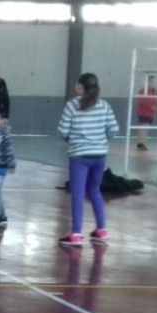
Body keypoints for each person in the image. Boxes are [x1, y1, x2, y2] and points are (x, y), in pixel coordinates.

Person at [57, 73, 119, 247]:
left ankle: (76, 234)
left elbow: (62, 130)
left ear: (81, 87)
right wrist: (101, 140)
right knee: (94, 190)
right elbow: (114, 129)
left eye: (77, 84)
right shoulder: (104, 105)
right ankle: (101, 230)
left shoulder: (72, 106)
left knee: (78, 193)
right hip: (99, 155)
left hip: (79, 156)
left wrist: (72, 139)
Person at [136, 75, 157, 151]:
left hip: (151, 114)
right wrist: (153, 107)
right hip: (143, 113)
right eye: (151, 82)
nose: (152, 83)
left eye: (153, 82)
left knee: (146, 129)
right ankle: (140, 144)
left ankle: (142, 144)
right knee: (143, 128)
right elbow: (143, 101)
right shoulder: (142, 91)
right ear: (147, 83)